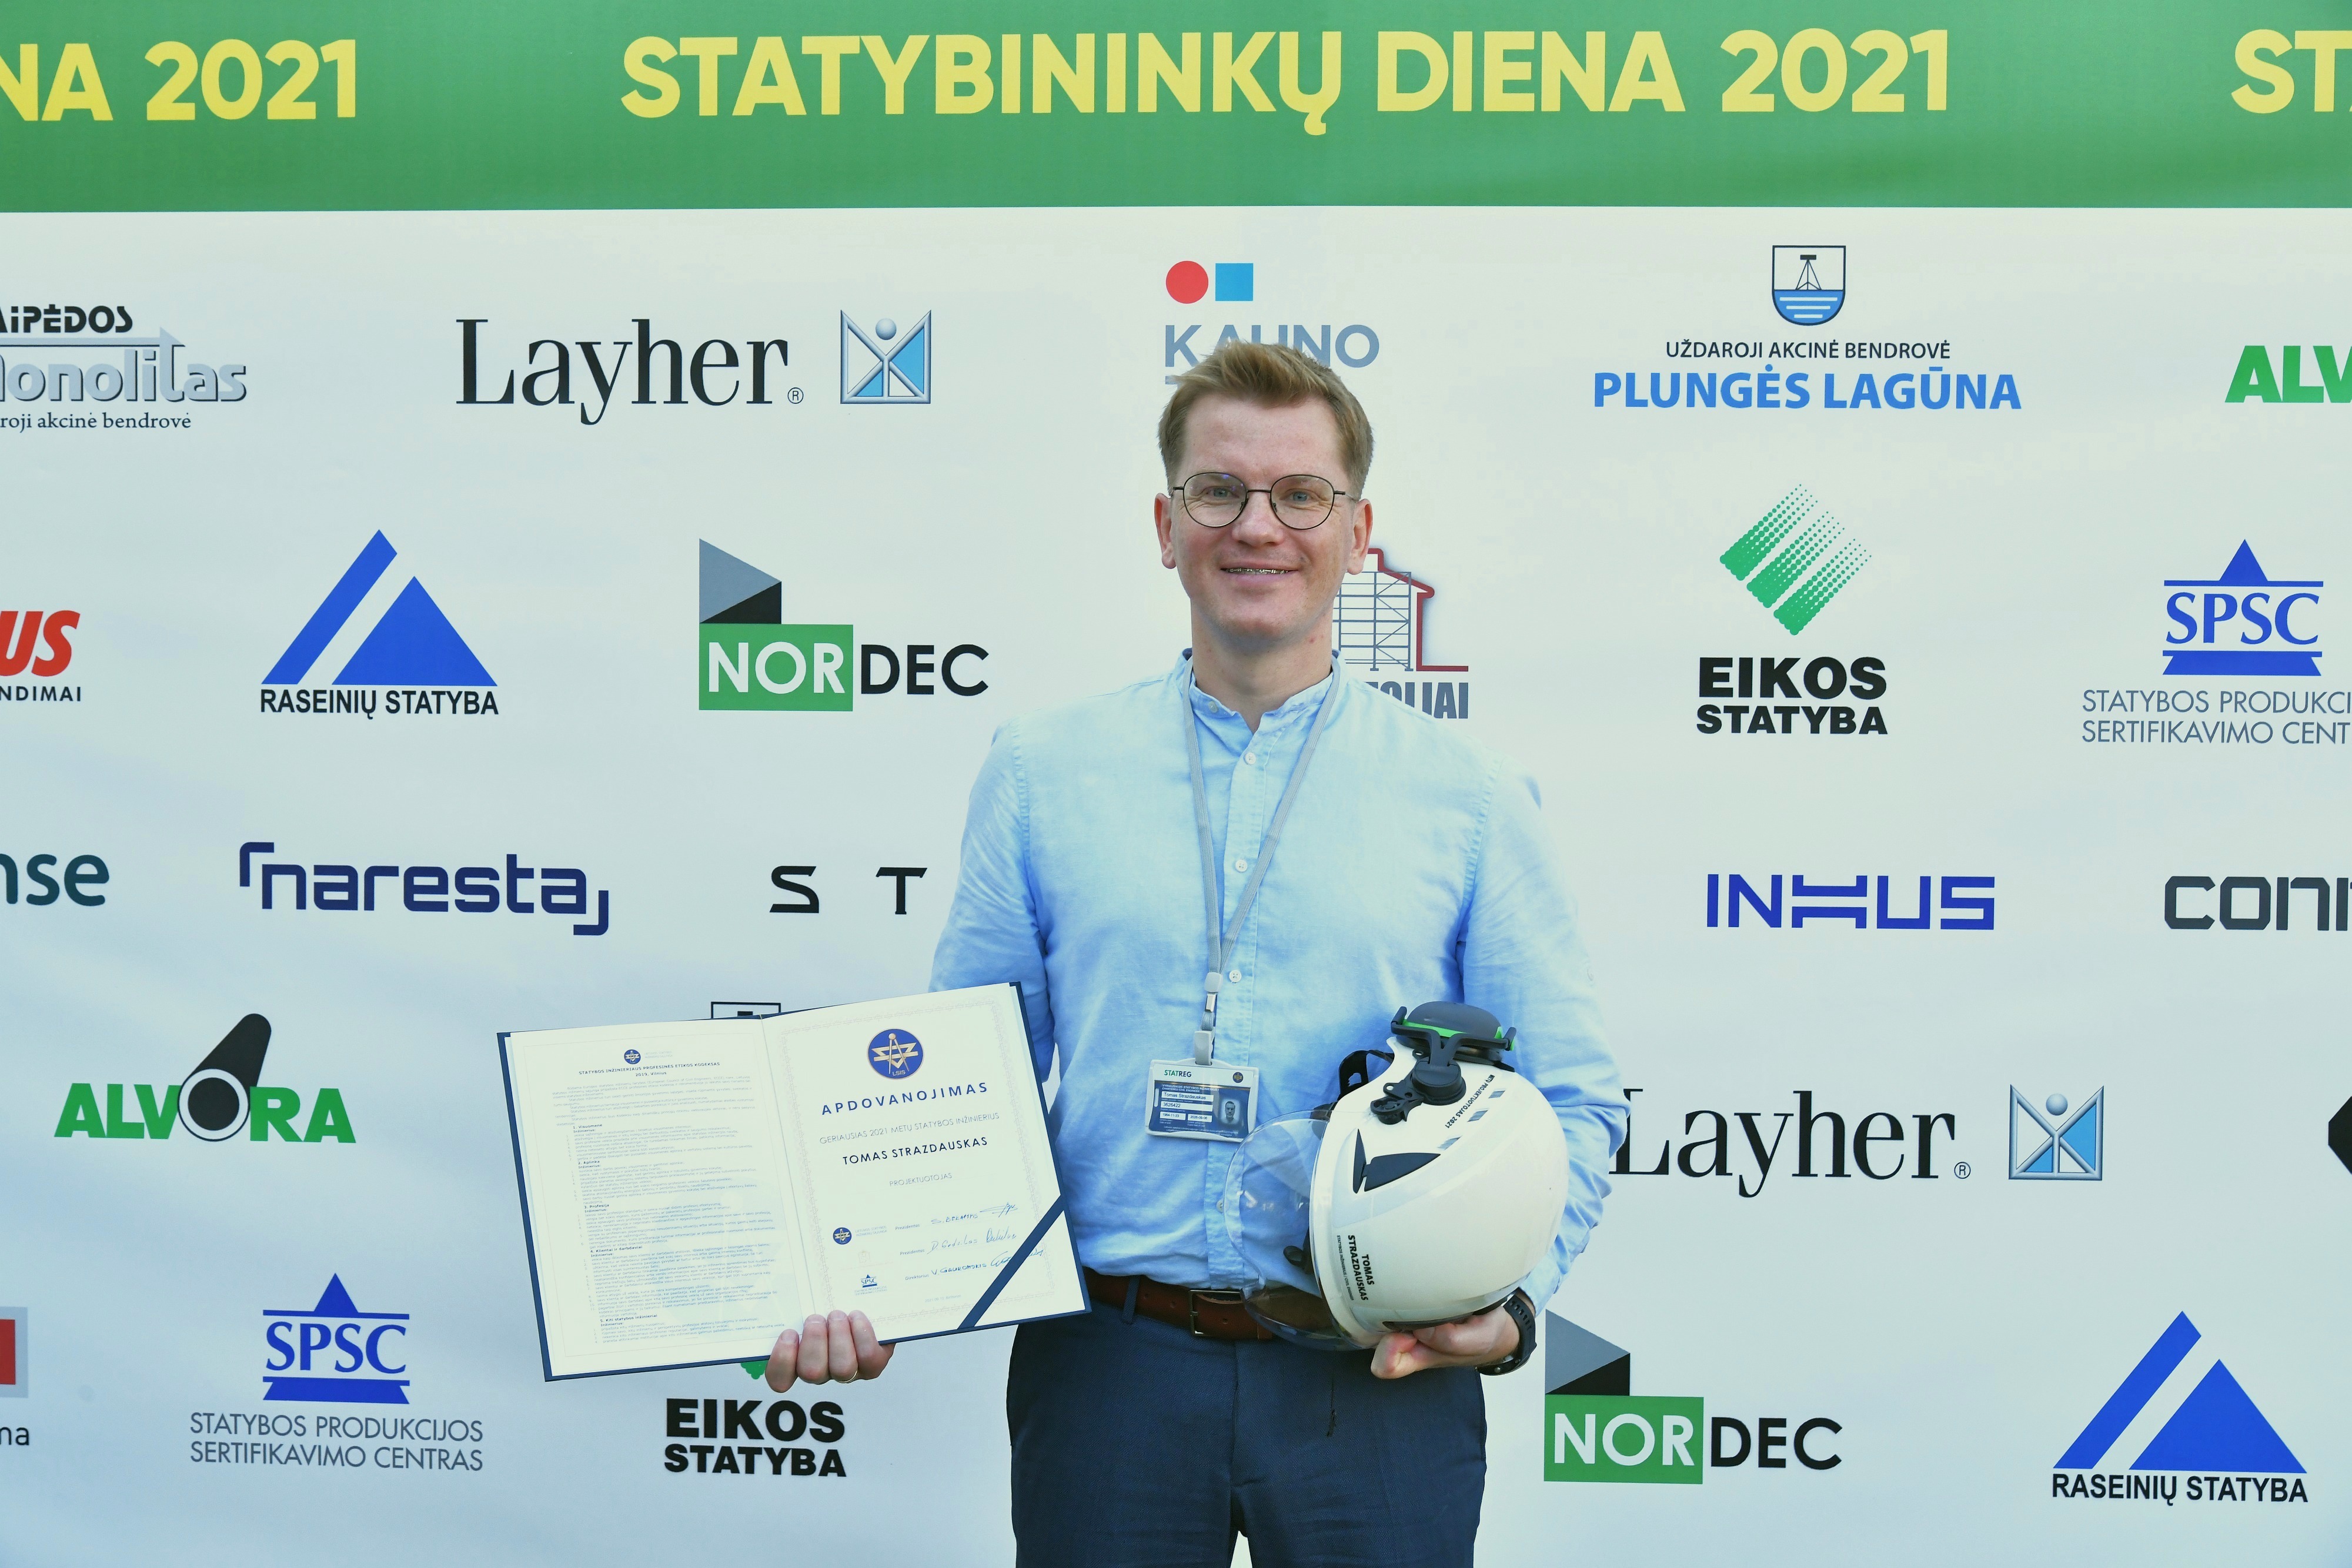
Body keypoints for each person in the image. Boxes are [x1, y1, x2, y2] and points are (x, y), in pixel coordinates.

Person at [765, 340, 1626, 1566]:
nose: (1256, 526)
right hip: (1109, 1370)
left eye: (1299, 494)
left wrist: (1514, 1303)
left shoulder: (1471, 798)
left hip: (1377, 1374)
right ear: (1166, 526)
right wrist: (866, 1272)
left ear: (1356, 531)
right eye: (1218, 491)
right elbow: (960, 1084)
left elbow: (1575, 1095)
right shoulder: (1042, 773)